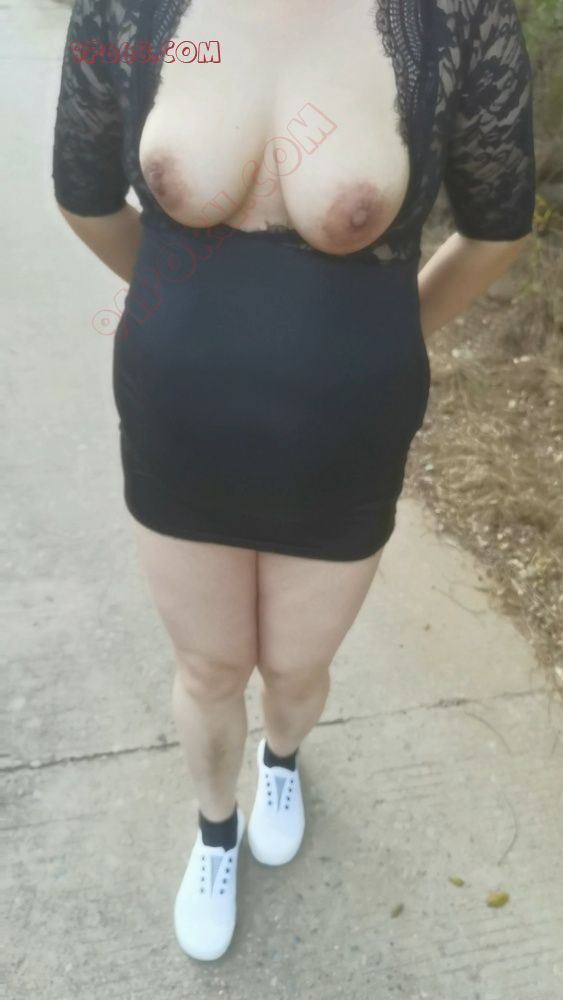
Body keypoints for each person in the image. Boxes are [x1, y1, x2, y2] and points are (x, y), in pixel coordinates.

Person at [52, 0, 535, 963]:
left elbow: (497, 229)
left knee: (297, 667)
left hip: (344, 435)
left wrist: (383, 339)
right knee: (207, 668)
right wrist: (185, 311)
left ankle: (282, 759)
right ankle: (214, 829)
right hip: (179, 423)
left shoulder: (457, 14)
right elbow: (83, 192)